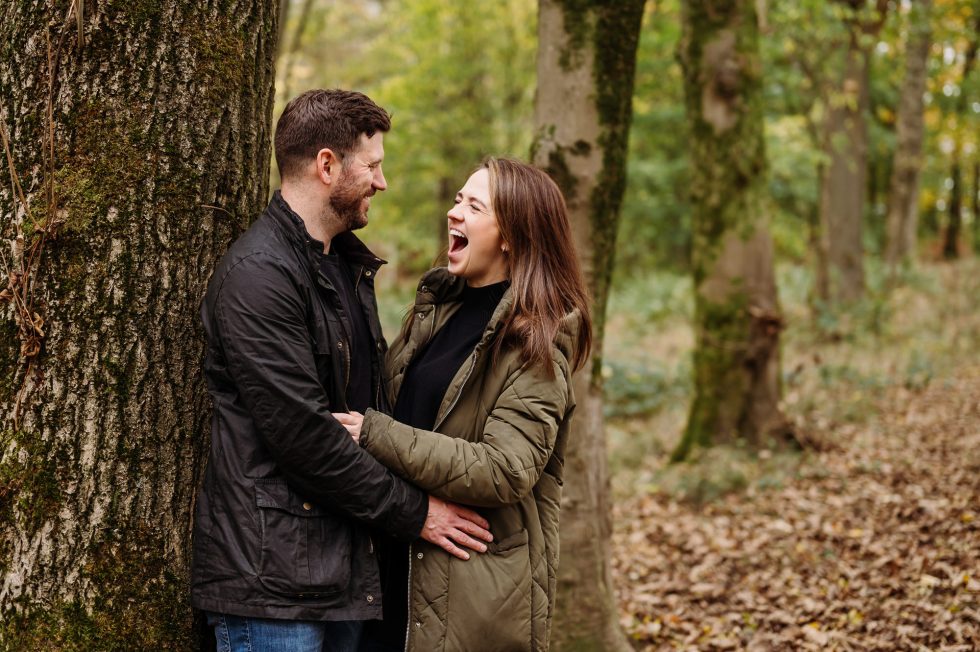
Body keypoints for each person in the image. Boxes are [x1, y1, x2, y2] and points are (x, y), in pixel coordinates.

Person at [191, 89, 493, 652]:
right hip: (274, 589)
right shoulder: (260, 276)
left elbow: (366, 413)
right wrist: (418, 513)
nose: (382, 182)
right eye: (373, 166)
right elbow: (305, 437)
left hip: (343, 576)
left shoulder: (344, 266)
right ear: (327, 165)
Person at [334, 157, 593, 652]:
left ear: (512, 236)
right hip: (394, 569)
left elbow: (505, 468)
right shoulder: (438, 307)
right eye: (457, 200)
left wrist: (374, 433)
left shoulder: (538, 341)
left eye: (474, 206)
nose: (455, 213)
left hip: (474, 592)